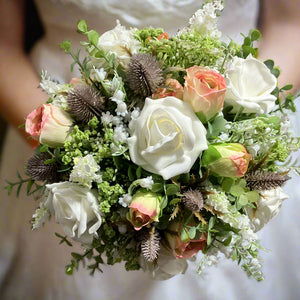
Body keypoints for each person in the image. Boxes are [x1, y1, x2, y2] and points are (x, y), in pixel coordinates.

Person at [0, 0, 299, 299]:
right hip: (65, 120)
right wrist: (79, 156)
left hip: (238, 102)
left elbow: (290, 25)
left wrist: (236, 129)